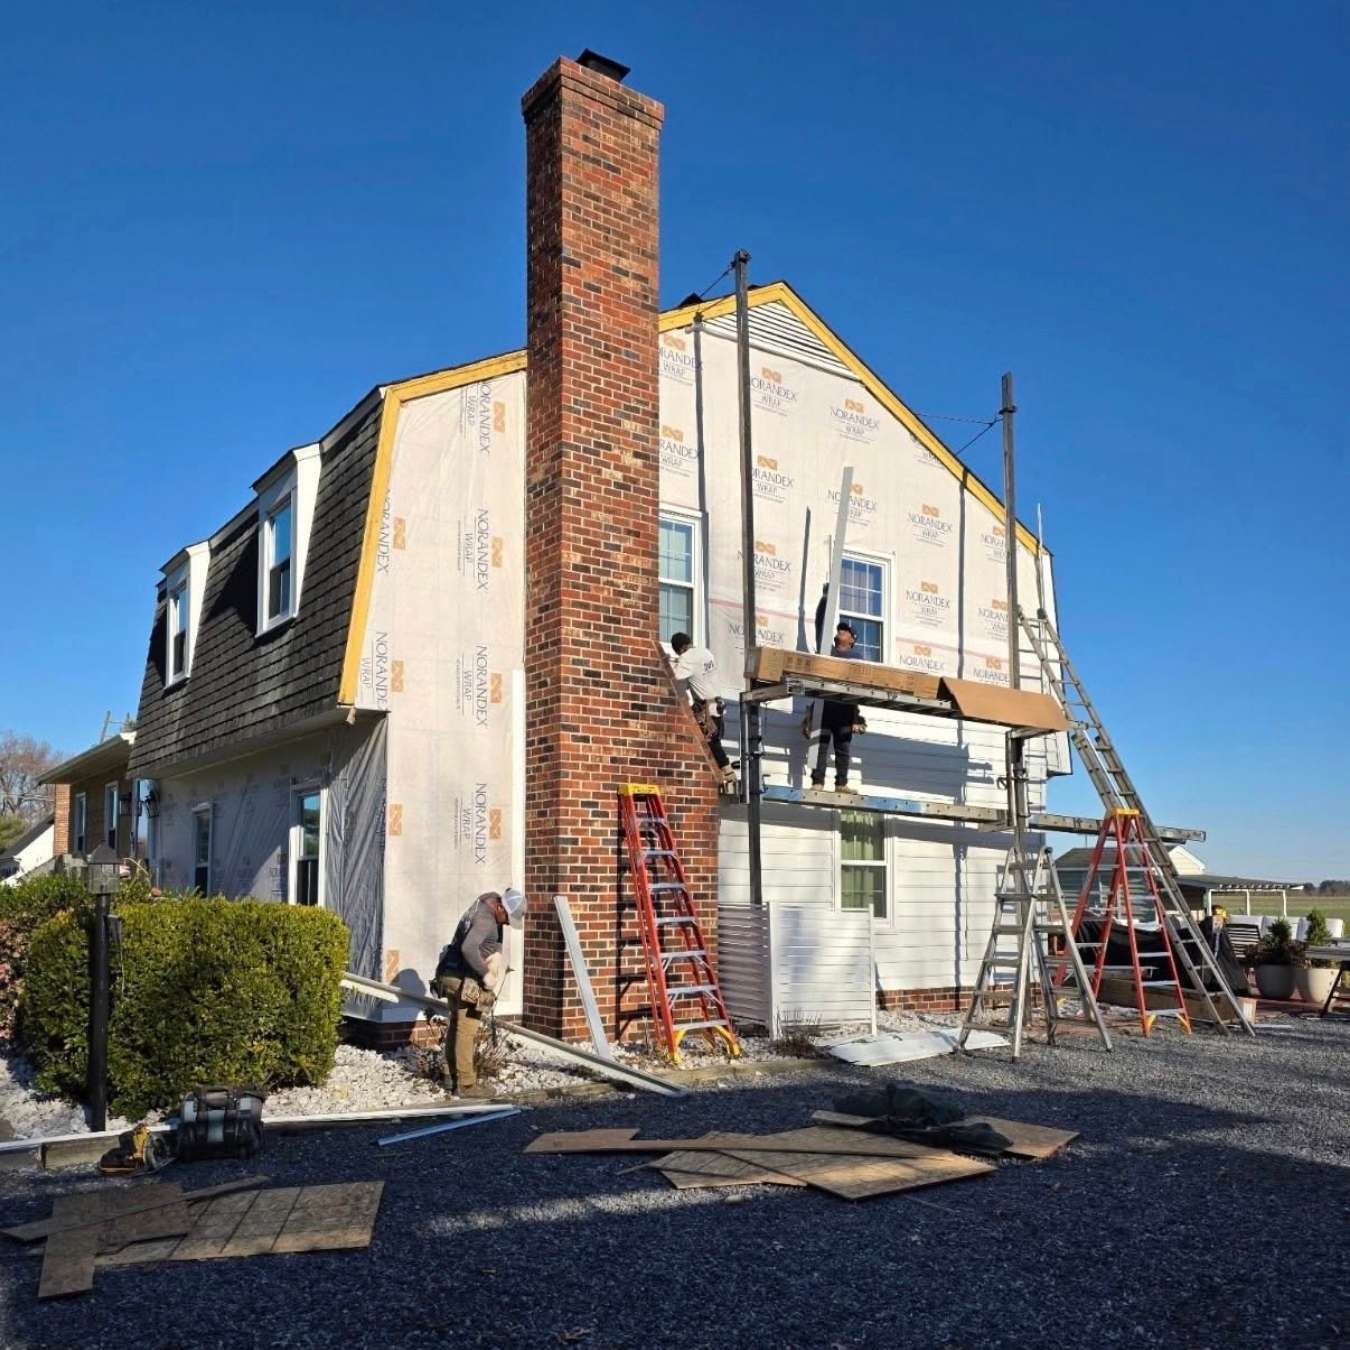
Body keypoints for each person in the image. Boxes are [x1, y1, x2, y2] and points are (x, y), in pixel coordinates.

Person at [432, 886, 527, 1098]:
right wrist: (486, 974)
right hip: (464, 979)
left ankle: (450, 1076)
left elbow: (490, 943)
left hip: (449, 972)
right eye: (507, 919)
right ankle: (466, 1086)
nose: (506, 924)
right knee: (467, 1029)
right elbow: (468, 948)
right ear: (501, 908)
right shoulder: (486, 919)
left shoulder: (486, 902)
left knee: (456, 1025)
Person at [669, 632, 737, 789]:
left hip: (707, 709)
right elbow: (694, 679)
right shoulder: (706, 652)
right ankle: (722, 773)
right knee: (714, 741)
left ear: (679, 648)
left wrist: (671, 663)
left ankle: (727, 773)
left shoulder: (687, 658)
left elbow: (673, 677)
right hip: (718, 705)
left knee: (711, 743)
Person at [811, 621, 867, 790]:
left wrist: (856, 718)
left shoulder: (856, 658)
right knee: (820, 745)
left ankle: (841, 784)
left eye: (846, 631)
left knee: (842, 747)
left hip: (845, 708)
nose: (841, 631)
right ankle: (817, 782)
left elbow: (858, 689)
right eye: (840, 629)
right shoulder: (828, 652)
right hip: (825, 705)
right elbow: (820, 626)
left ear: (852, 640)